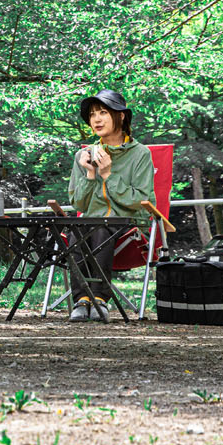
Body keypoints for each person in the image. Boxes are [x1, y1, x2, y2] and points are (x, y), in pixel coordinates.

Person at [65, 89, 154, 322]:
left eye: (103, 112)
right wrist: (91, 175)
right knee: (79, 226)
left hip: (127, 227)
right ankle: (82, 300)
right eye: (93, 114)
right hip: (91, 223)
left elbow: (140, 201)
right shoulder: (83, 156)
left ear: (121, 116)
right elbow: (78, 202)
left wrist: (109, 175)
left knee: (101, 227)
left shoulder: (141, 154)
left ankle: (99, 298)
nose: (96, 119)